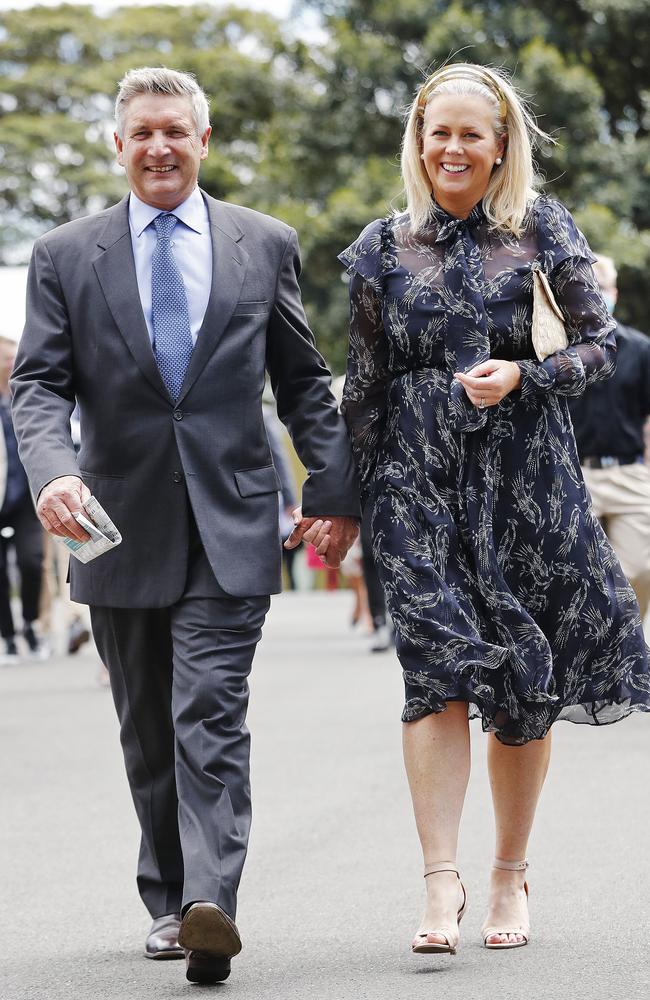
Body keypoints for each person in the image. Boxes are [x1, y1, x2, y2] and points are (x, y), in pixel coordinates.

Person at [11, 67, 358, 985]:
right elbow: (38, 384)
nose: (159, 147)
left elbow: (301, 378)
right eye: (142, 133)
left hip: (231, 517)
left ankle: (212, 904)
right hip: (111, 521)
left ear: (204, 141)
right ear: (117, 146)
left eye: (176, 131)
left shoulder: (262, 243)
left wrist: (332, 491)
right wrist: (51, 472)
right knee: (146, 730)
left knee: (208, 710)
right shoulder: (63, 255)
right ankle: (168, 900)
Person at [337, 63, 650, 956]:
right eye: (439, 131)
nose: (453, 148)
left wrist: (528, 374)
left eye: (473, 133)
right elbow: (363, 384)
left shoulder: (542, 229)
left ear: (501, 144)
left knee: (521, 683)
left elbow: (600, 344)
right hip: (416, 486)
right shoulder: (381, 246)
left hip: (527, 487)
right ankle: (442, 880)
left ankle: (510, 871)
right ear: (419, 138)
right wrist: (340, 501)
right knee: (432, 674)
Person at [569, 255, 650, 621]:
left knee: (638, 569)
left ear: (614, 292)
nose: (598, 297)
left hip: (628, 474)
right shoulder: (560, 353)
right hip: (575, 475)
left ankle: (628, 647)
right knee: (578, 579)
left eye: (603, 289)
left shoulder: (640, 349)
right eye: (590, 289)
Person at [0, 336, 47, 661]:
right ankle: (8, 637)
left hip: (27, 499)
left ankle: (30, 624)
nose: (11, 362)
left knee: (32, 562)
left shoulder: (27, 394)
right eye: (6, 358)